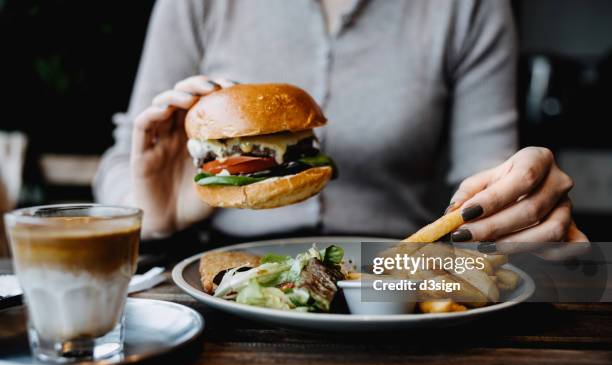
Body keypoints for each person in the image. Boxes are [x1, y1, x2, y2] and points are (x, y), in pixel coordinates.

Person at [94, 0, 588, 247]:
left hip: (394, 274)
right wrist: (147, 209)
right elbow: (124, 157)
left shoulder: (468, 7)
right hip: (224, 271)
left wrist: (517, 198)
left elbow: (490, 174)